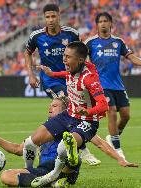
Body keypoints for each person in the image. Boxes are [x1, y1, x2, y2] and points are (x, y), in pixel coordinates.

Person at [0, 92, 138, 187]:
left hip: (66, 168)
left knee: (69, 152)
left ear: (64, 110)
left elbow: (101, 144)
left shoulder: (74, 125)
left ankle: (61, 176)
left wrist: (120, 159)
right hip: (44, 170)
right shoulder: (43, 131)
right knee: (5, 176)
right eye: (50, 105)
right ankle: (49, 182)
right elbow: (18, 149)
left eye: (55, 105)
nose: (50, 107)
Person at [21, 41, 111, 187]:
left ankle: (54, 175)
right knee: (30, 143)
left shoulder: (89, 78)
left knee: (63, 147)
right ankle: (30, 171)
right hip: (69, 115)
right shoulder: (72, 69)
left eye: (68, 57)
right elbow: (67, 74)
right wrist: (52, 74)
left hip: (85, 120)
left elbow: (104, 105)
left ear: (80, 60)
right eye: (64, 55)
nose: (64, 59)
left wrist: (88, 111)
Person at [25, 3, 100, 166]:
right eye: (47, 17)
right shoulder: (36, 36)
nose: (50, 20)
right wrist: (30, 74)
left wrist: (89, 74)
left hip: (70, 78)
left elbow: (82, 52)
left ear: (59, 16)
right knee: (67, 105)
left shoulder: (71, 33)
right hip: (51, 79)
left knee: (70, 112)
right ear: (44, 18)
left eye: (53, 16)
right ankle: (81, 148)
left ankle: (58, 142)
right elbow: (28, 52)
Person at [85, 12, 141, 159]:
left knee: (125, 115)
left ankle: (113, 136)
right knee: (111, 110)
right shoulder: (90, 43)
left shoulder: (118, 42)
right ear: (97, 25)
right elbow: (83, 60)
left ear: (111, 24)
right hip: (101, 85)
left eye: (106, 21)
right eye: (100, 21)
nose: (103, 24)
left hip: (117, 85)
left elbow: (131, 57)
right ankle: (117, 149)